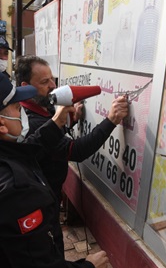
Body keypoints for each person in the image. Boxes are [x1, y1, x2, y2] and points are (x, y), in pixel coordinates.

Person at [0, 67, 109, 268]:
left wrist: (56, 123)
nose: (21, 111)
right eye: (15, 106)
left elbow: (25, 151)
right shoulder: (14, 194)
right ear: (0, 123)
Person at [14, 55, 129, 200]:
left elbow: (51, 142)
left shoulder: (38, 107)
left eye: (52, 78)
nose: (53, 86)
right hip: (42, 199)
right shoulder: (30, 124)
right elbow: (76, 150)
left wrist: (70, 122)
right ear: (26, 87)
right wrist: (112, 120)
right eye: (45, 82)